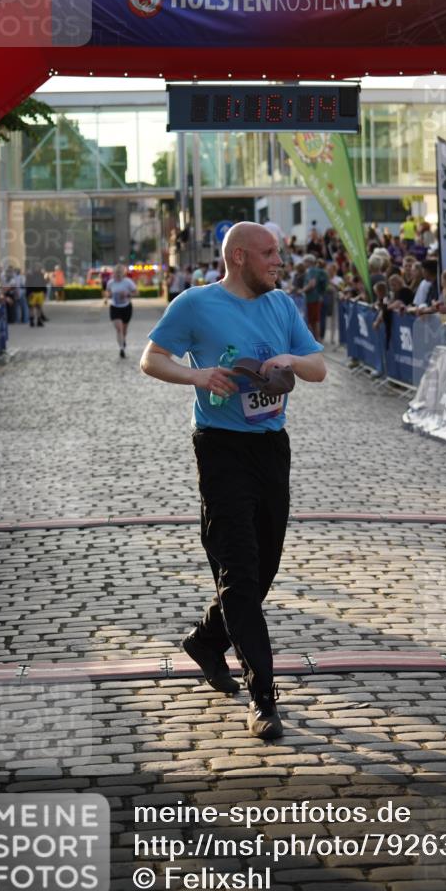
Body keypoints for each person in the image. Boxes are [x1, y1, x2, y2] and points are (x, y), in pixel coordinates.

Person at [140, 221, 325, 739]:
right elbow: (151, 359)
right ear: (239, 256)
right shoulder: (195, 304)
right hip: (220, 449)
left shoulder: (281, 305)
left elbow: (318, 367)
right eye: (270, 253)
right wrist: (197, 375)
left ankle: (205, 640)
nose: (279, 261)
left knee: (263, 569)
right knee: (240, 573)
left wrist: (292, 359)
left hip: (272, 448)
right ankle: (263, 697)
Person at [107, 264, 137, 357]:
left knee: (124, 329)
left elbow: (136, 292)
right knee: (119, 329)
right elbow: (108, 292)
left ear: (123, 274)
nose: (118, 275)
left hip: (126, 307)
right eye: (116, 273)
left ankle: (123, 340)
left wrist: (128, 294)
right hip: (115, 308)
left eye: (120, 273)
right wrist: (109, 295)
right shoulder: (110, 283)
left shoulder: (128, 282)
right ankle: (121, 348)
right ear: (113, 273)